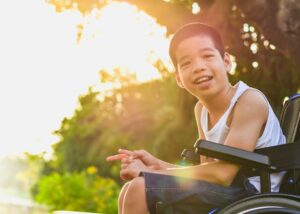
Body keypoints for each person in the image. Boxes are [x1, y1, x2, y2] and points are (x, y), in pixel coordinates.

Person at [106, 22, 286, 214]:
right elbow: (206, 171)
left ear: (226, 62)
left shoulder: (249, 100)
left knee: (139, 188)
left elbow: (224, 174)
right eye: (186, 63)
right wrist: (156, 164)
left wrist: (150, 173)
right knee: (129, 189)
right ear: (179, 79)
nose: (199, 67)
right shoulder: (201, 109)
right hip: (230, 188)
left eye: (207, 56)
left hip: (255, 194)